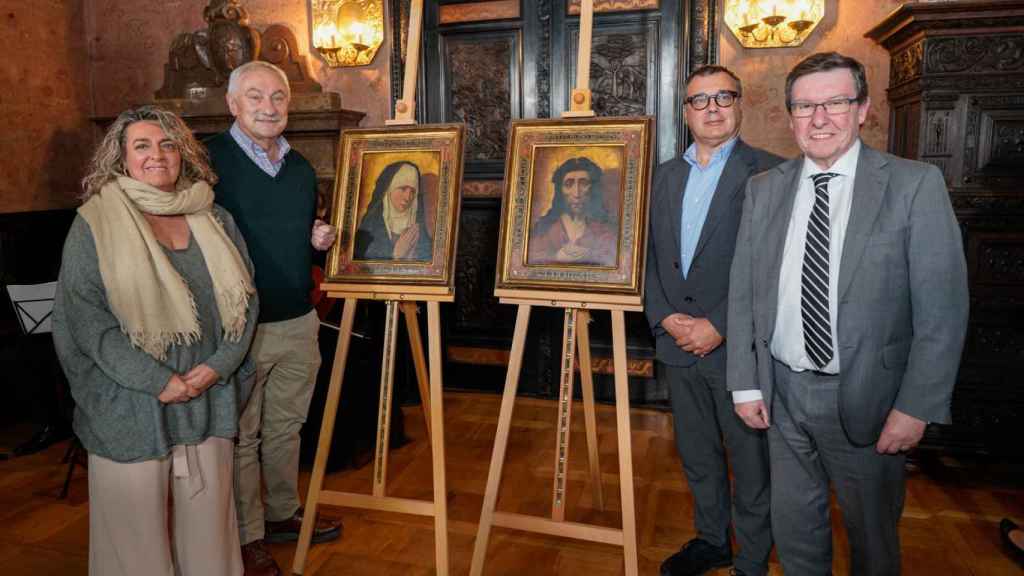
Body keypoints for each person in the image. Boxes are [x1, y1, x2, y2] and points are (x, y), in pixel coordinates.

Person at [728, 52, 969, 575]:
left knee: (872, 541)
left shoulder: (914, 185)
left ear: (862, 109)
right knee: (795, 532)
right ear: (790, 115)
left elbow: (942, 311)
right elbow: (744, 294)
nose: (819, 119)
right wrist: (745, 384)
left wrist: (916, 407)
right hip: (781, 395)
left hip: (869, 402)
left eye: (835, 102)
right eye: (805, 106)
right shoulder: (764, 189)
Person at [52, 105, 259, 576]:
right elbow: (86, 322)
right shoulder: (94, 225)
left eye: (168, 144)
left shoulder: (216, 218)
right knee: (133, 542)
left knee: (211, 536)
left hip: (209, 395)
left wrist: (218, 366)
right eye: (141, 146)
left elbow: (246, 303)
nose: (156, 155)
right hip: (132, 403)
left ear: (183, 153)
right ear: (121, 158)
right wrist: (157, 380)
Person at [645, 65, 782, 576]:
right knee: (697, 456)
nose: (712, 108)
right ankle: (711, 540)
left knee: (750, 463)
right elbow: (646, 258)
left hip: (739, 348)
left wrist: (719, 325)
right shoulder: (661, 176)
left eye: (723, 96)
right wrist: (665, 317)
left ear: (740, 104)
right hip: (676, 344)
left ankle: (751, 559)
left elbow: (774, 265)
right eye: (699, 100)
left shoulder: (772, 172)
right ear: (685, 113)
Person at [205, 60, 340, 576]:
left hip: (299, 320)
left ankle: (283, 513)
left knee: (288, 426)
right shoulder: (209, 163)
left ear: (289, 104)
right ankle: (247, 535)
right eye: (255, 96)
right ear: (233, 104)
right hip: (240, 328)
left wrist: (317, 240)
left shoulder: (302, 168)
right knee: (243, 435)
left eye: (278, 97)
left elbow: (299, 235)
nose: (269, 106)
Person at [527, 156, 617, 266]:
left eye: (584, 183)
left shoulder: (605, 229)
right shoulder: (544, 227)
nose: (576, 194)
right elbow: (531, 261)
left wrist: (590, 255)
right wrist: (555, 258)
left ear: (593, 189)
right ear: (560, 191)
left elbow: (612, 259)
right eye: (568, 184)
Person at [353, 160, 432, 261]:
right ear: (389, 188)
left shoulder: (418, 230)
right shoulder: (369, 227)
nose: (408, 197)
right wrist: (396, 255)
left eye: (412, 191)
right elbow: (361, 265)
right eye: (403, 189)